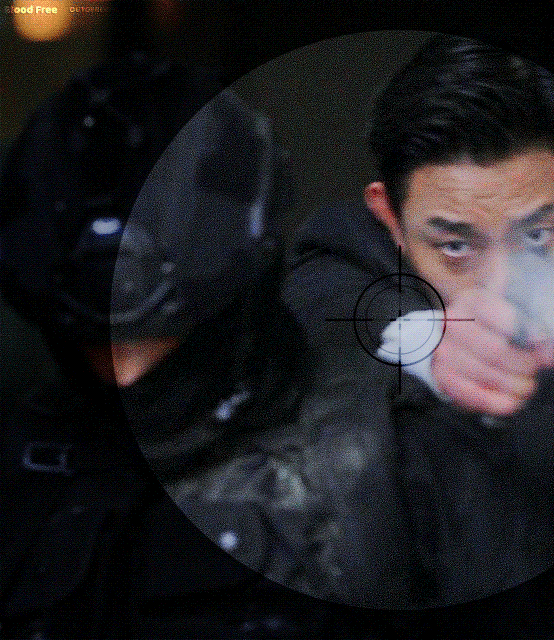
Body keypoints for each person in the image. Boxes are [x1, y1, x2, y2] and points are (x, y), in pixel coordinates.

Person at [280, 33, 554, 630]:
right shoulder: (348, 248)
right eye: (455, 245)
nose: (499, 289)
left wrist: (504, 392)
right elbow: (318, 295)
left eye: (537, 236)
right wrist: (427, 342)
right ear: (390, 218)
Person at [0, 52, 365, 639]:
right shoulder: (24, 457)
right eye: (94, 345)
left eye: (158, 341)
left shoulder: (370, 465)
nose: (125, 375)